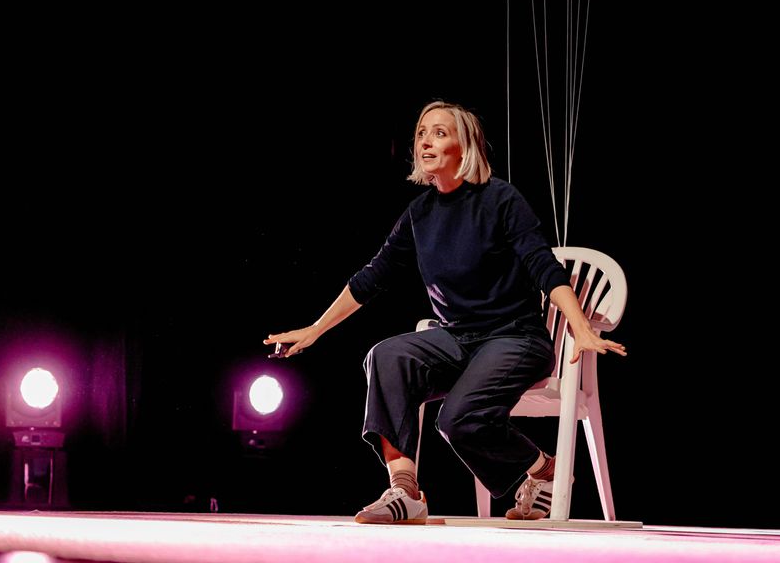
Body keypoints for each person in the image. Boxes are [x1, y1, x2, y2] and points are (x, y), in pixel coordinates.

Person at [264, 100, 626, 524]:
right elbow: (373, 276)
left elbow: (543, 266)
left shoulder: (500, 199)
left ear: (464, 145)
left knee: (457, 419)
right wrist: (315, 329)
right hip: (458, 340)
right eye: (421, 133)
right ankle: (405, 491)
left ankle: (543, 469)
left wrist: (580, 327)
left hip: (514, 338)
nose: (425, 141)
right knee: (387, 356)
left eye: (439, 132)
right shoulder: (420, 213)